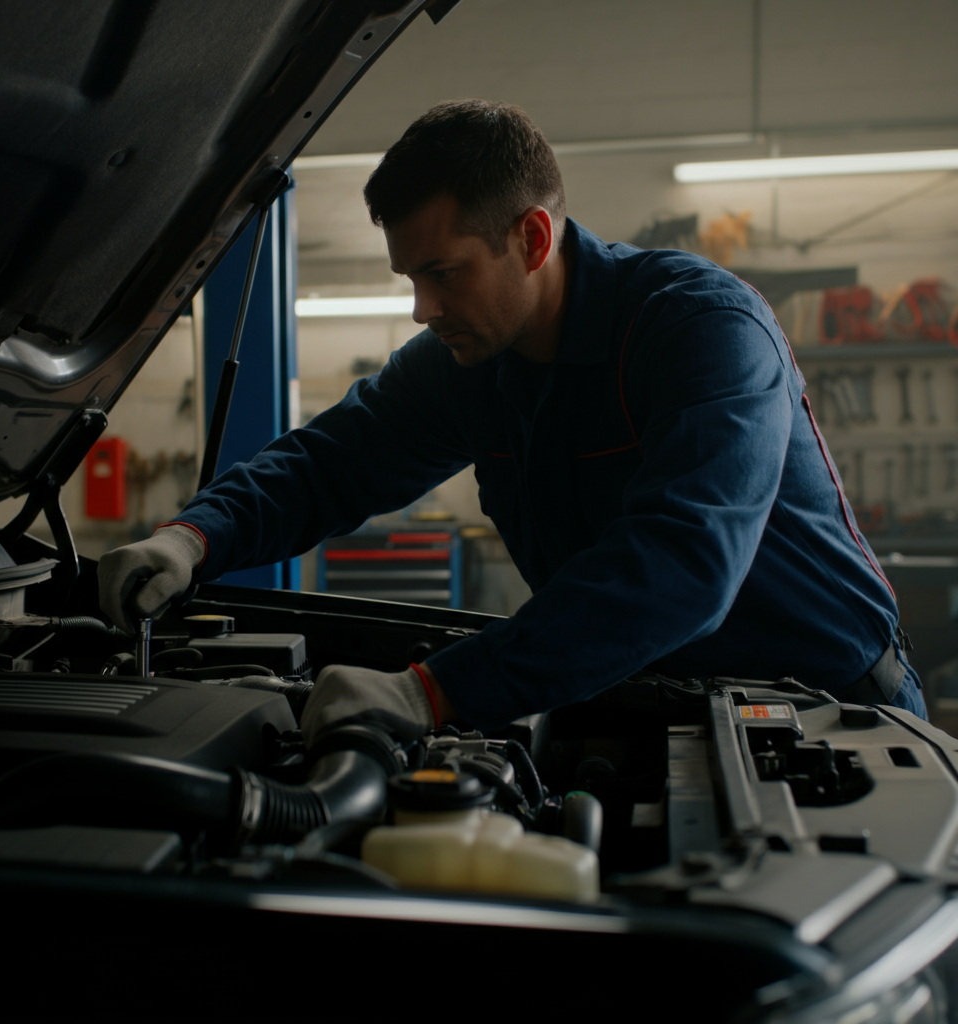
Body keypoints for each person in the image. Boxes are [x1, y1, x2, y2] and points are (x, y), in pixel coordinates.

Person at [98, 99, 927, 745]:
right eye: (408, 278)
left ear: (531, 238)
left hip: (836, 719)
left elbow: (684, 562)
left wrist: (433, 691)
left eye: (442, 272)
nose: (422, 308)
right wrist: (191, 540)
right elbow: (331, 462)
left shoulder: (701, 330)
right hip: (650, 711)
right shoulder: (470, 363)